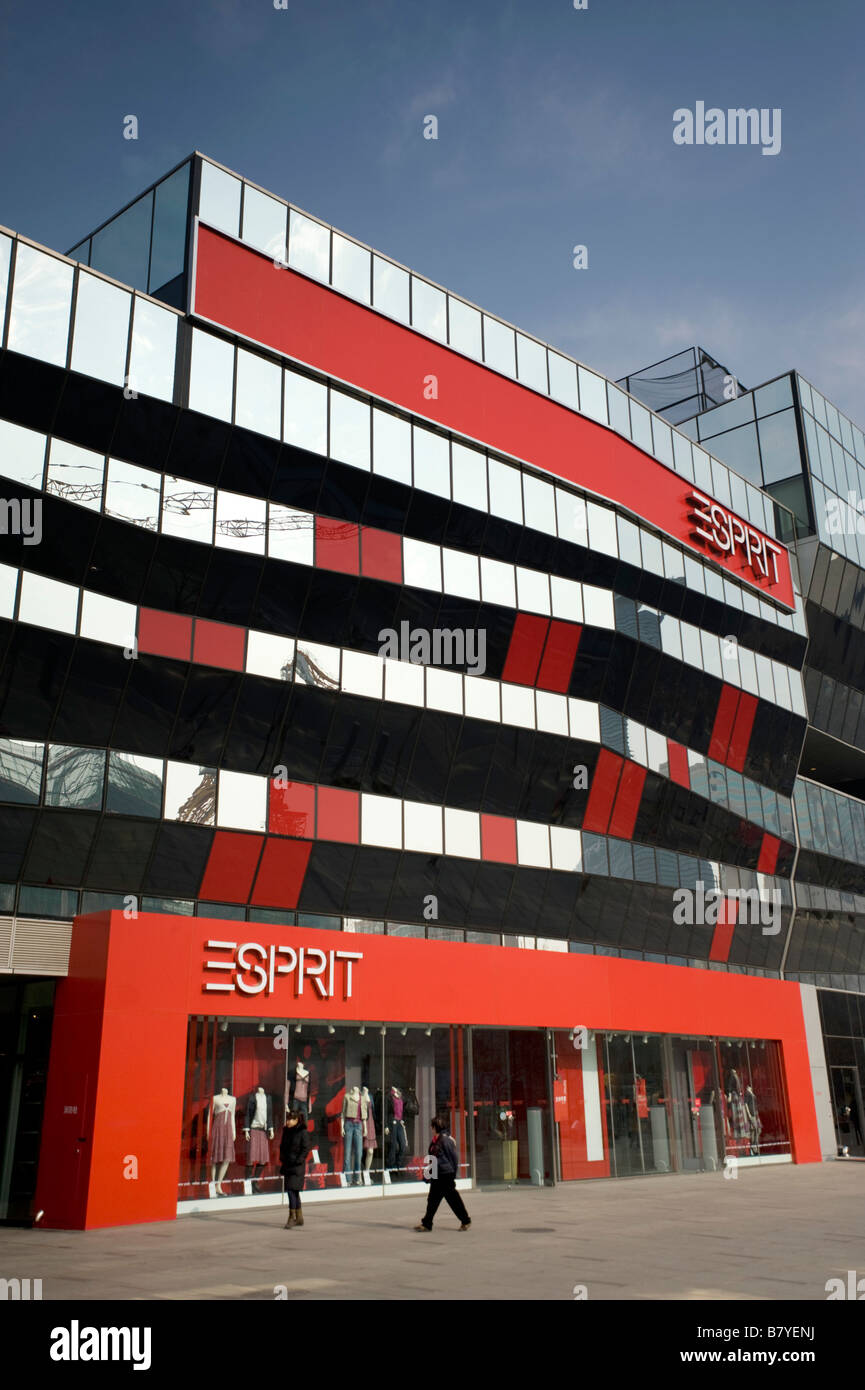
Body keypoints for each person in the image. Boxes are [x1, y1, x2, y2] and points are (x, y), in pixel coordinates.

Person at [414, 1116, 471, 1232]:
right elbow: (432, 1158)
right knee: (432, 1200)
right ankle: (427, 1223)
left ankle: (465, 1220)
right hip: (437, 1174)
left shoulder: (445, 1140)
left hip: (445, 1174)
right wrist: (428, 1174)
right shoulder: (435, 1140)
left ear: (436, 1127)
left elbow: (453, 1158)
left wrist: (453, 1174)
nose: (431, 1128)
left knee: (453, 1199)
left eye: (432, 1126)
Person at [280, 1108, 312, 1229]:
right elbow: (282, 1146)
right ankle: (299, 1217)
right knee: (293, 1191)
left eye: (291, 1119)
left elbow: (305, 1149)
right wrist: (282, 1158)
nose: (288, 1121)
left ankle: (291, 1217)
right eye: (288, 1119)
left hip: (297, 1166)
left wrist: (298, 1160)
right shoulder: (286, 1131)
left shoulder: (302, 1132)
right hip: (287, 1164)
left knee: (291, 1190)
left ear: (297, 1120)